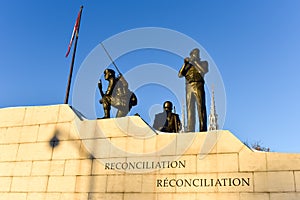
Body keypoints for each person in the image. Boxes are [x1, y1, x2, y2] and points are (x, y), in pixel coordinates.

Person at [178, 48, 208, 132]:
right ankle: (190, 129)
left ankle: (203, 129)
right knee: (190, 108)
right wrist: (185, 64)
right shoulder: (187, 66)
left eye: (197, 54)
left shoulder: (203, 63)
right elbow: (180, 74)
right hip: (189, 87)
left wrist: (195, 62)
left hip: (198, 85)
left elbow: (202, 70)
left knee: (200, 107)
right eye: (194, 54)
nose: (195, 55)